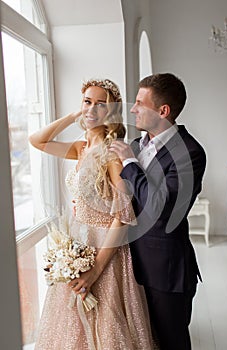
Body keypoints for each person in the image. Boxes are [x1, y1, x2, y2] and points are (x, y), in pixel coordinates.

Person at [29, 78, 157, 349]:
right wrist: (77, 114)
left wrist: (97, 268)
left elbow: (122, 216)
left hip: (104, 247)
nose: (92, 109)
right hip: (78, 241)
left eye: (101, 105)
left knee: (106, 326)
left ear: (111, 111)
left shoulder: (111, 154)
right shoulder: (81, 148)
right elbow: (37, 140)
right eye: (88, 101)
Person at [110, 73, 206, 350]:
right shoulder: (137, 144)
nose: (132, 109)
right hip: (128, 264)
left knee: (170, 343)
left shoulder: (190, 152)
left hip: (164, 271)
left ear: (163, 111)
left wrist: (129, 162)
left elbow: (161, 209)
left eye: (140, 103)